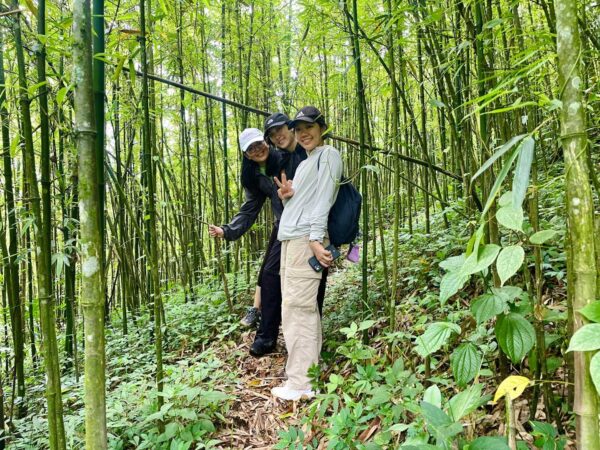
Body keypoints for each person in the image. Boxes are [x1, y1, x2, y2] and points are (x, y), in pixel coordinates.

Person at [272, 106, 342, 401]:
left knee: (297, 309)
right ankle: (310, 370)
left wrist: (316, 239)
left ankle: (300, 384)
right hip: (291, 240)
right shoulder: (304, 164)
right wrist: (287, 195)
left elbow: (324, 200)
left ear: (322, 127)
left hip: (305, 241)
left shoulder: (329, 155)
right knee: (299, 307)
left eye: (309, 127)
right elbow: (301, 206)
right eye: (298, 129)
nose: (303, 134)